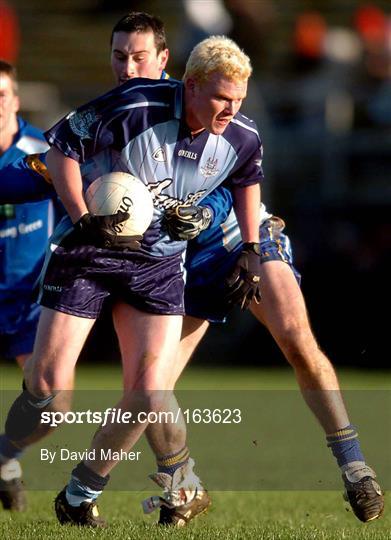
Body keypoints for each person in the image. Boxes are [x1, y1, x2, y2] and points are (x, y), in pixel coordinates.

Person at [0, 13, 384, 526]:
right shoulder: (118, 116)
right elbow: (45, 167)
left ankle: (355, 467)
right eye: (119, 56)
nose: (128, 67)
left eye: (140, 56)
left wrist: (237, 236)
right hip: (174, 263)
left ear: (166, 63)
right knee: (150, 393)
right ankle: (160, 487)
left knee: (295, 337)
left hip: (233, 244)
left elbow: (233, 177)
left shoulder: (221, 118)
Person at [2, 32, 262, 528]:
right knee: (50, 391)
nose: (231, 109)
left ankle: (79, 496)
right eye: (221, 97)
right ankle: (31, 409)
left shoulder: (243, 135)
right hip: (90, 253)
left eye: (239, 99)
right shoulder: (134, 103)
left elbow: (245, 180)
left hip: (158, 266)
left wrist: (248, 247)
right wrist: (82, 217)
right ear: (191, 85)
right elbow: (60, 149)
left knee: (150, 390)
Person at [0, 60, 55, 511]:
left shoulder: (44, 149)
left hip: (30, 301)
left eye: (1, 95)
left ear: (16, 100)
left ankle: (4, 457)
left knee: (53, 409)